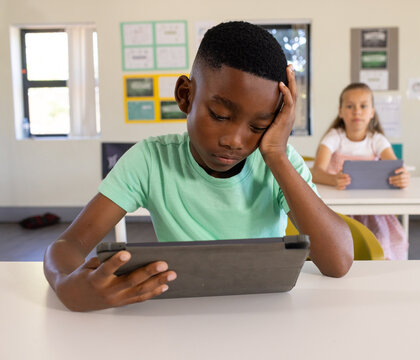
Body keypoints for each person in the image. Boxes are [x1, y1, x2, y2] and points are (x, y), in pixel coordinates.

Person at [43, 21, 353, 312]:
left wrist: (276, 155)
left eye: (259, 126)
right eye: (219, 115)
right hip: (182, 313)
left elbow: (338, 262)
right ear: (185, 96)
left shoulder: (276, 162)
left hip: (263, 311)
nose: (234, 140)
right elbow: (68, 244)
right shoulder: (151, 160)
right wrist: (66, 285)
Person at [311, 82, 409, 260]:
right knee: (340, 246)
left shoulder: (377, 140)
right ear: (341, 111)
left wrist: (402, 177)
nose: (357, 111)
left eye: (363, 106)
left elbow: (396, 169)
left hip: (371, 209)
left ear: (372, 112)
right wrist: (333, 180)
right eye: (350, 106)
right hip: (339, 209)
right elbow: (316, 172)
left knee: (381, 245)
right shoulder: (335, 137)